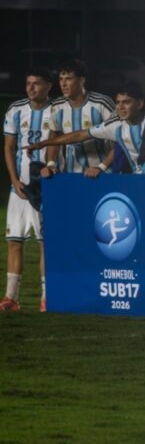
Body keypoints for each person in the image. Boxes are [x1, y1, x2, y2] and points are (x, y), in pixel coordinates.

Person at [0, 68, 54, 312]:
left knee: (45, 244)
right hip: (19, 189)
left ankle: (47, 298)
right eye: (28, 83)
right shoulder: (16, 109)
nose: (31, 88)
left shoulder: (57, 111)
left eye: (36, 83)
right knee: (14, 241)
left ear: (48, 86)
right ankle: (10, 298)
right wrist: (14, 180)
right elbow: (9, 148)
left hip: (45, 190)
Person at [30, 82, 145, 174]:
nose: (120, 107)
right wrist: (43, 143)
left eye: (126, 102)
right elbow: (80, 135)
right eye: (118, 102)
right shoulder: (114, 126)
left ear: (139, 104)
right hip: (136, 178)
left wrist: (102, 166)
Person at [44, 59, 115, 179]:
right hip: (70, 174)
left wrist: (102, 167)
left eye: (68, 79)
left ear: (81, 80)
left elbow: (119, 139)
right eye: (61, 79)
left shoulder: (102, 103)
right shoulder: (57, 106)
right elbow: (54, 136)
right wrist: (50, 164)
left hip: (101, 174)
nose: (63, 84)